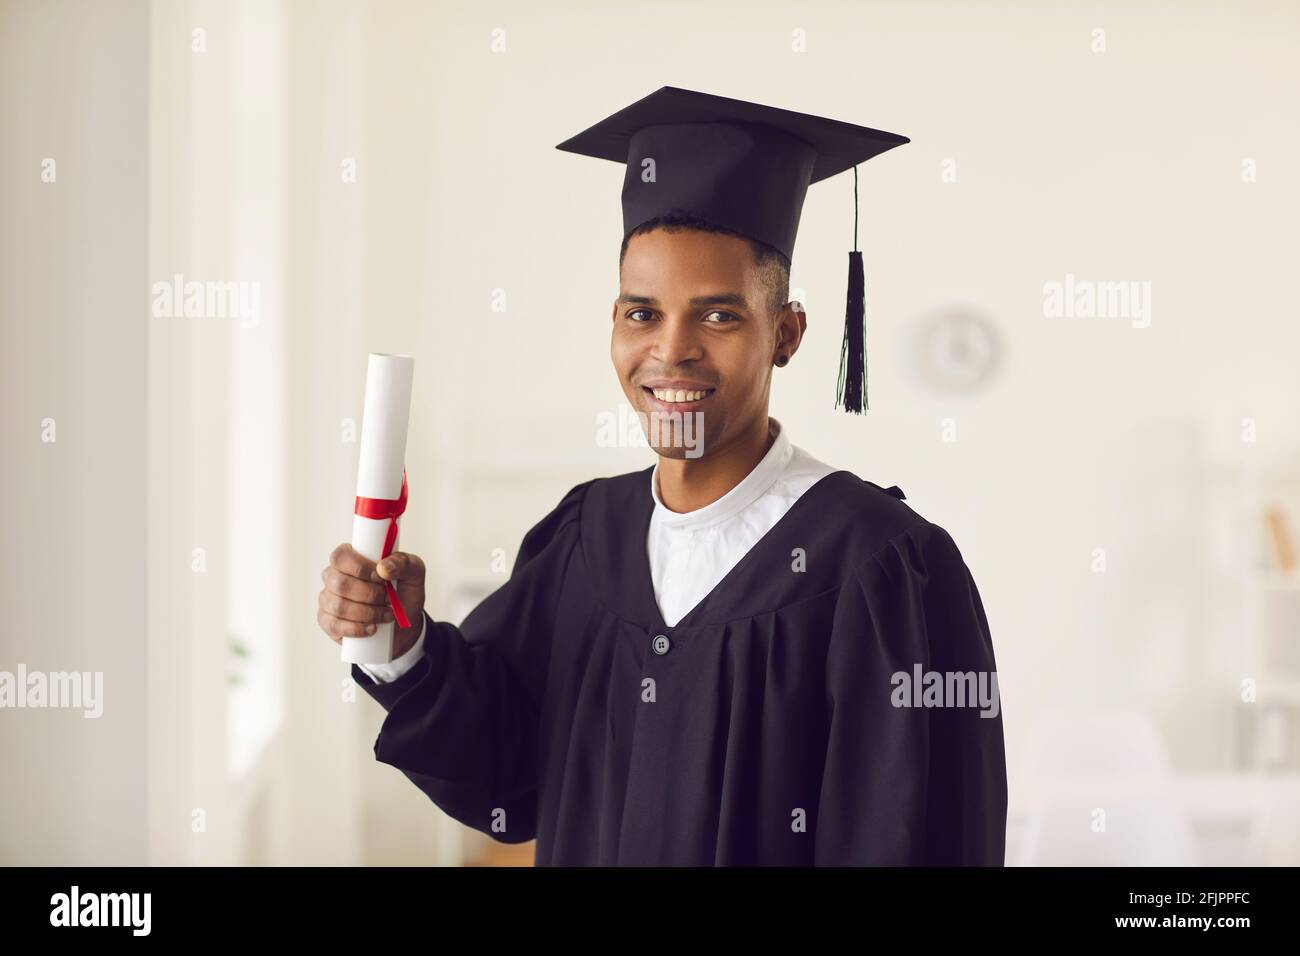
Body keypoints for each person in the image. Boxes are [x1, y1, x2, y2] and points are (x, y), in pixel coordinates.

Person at [317, 87, 1007, 865]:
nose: (670, 350)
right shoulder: (587, 538)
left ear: (786, 335)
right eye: (640, 313)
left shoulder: (883, 566)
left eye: (718, 315)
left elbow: (915, 835)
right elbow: (509, 778)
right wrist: (400, 644)